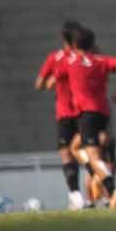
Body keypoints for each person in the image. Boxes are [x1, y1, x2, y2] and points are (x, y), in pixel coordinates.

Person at [63, 28, 116, 201]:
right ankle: (97, 174)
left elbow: (54, 77)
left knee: (92, 155)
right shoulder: (101, 60)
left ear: (75, 45)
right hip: (103, 112)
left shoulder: (71, 61)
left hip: (87, 113)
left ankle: (111, 189)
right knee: (76, 146)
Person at [35, 20, 85, 210]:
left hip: (65, 113)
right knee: (85, 151)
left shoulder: (56, 58)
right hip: (85, 113)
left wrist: (50, 81)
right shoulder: (85, 56)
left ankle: (75, 193)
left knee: (67, 154)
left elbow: (40, 84)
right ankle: (95, 188)